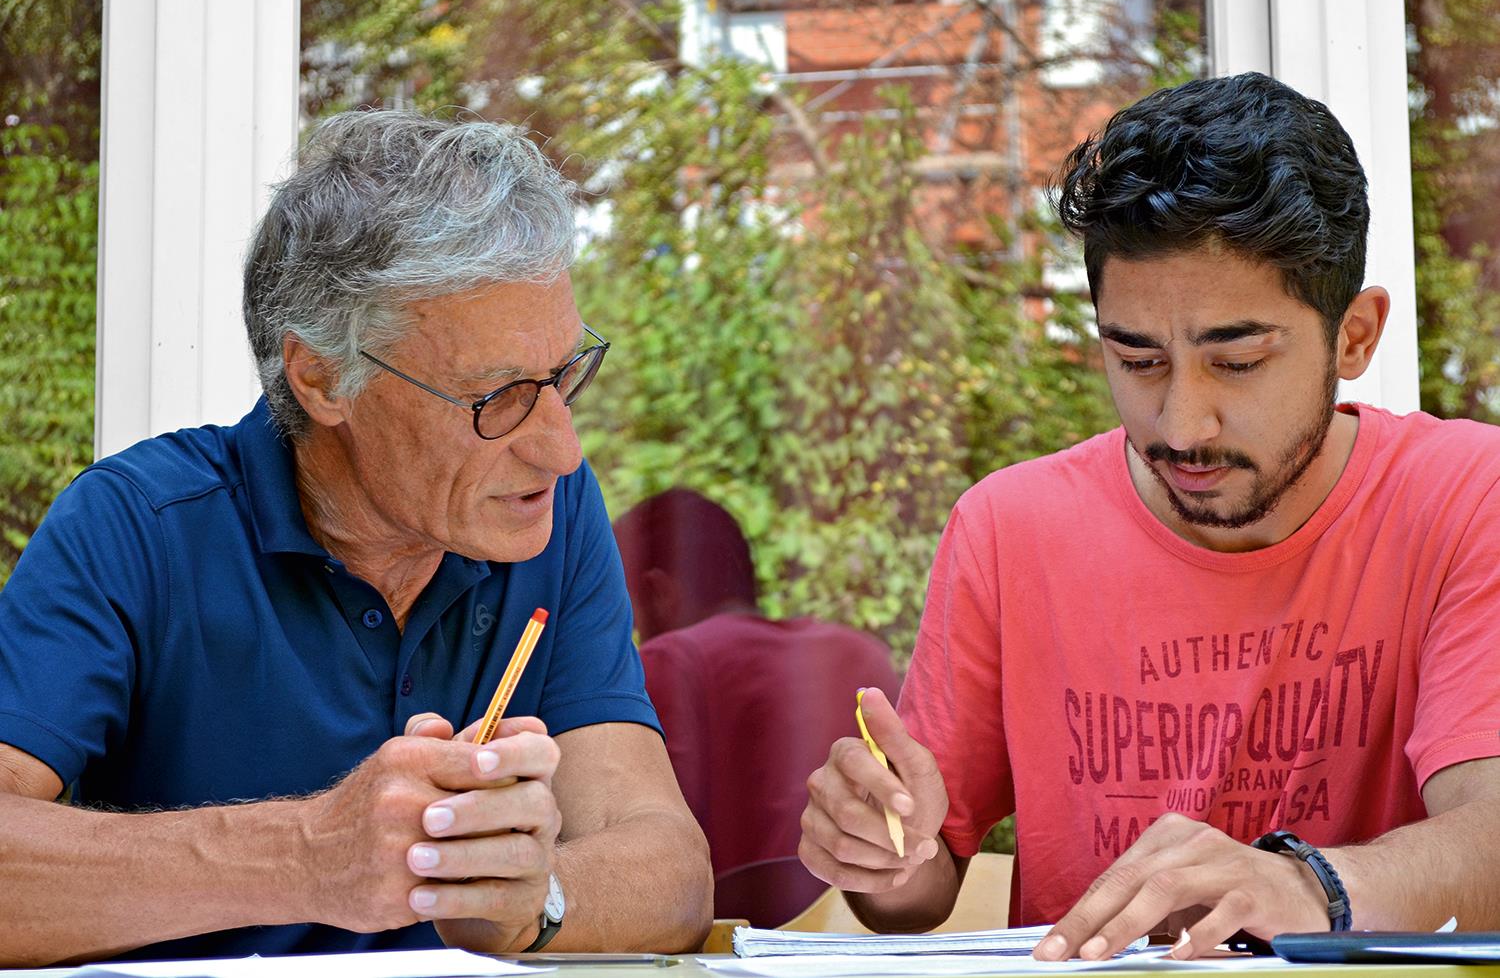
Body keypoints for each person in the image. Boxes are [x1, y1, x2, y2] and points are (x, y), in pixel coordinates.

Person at [798, 72, 1500, 959]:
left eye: (1237, 362)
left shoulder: (1470, 497)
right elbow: (918, 885)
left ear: (1353, 337)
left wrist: (1307, 885)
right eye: (1136, 359)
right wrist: (883, 857)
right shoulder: (1008, 529)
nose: (1181, 425)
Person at [0, 110, 711, 966]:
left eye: (562, 376)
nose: (561, 446)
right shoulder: (138, 528)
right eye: (498, 396)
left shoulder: (539, 509)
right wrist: (305, 855)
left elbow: (670, 870)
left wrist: (535, 903)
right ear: (323, 377)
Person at [613, 488, 901, 926]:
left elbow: (654, 843)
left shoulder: (672, 661)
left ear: (657, 592)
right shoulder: (860, 655)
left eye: (623, 608)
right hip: (866, 933)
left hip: (735, 943)